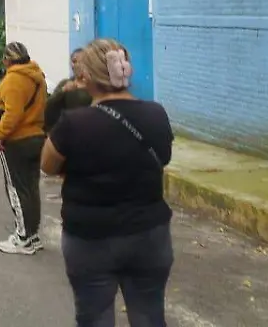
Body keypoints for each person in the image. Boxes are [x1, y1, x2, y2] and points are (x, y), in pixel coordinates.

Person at [41, 38, 175, 327]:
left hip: (90, 239)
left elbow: (48, 165)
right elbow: (162, 157)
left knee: (94, 317)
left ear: (86, 77)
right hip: (150, 235)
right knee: (150, 316)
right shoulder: (156, 114)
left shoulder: (74, 123)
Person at [0, 41, 47, 255]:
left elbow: (12, 115)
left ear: (7, 60)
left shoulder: (14, 80)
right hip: (36, 137)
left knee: (16, 189)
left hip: (17, 141)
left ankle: (23, 238)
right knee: (31, 189)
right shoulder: (37, 76)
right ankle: (32, 235)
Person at [44, 48, 94, 134]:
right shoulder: (65, 83)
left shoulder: (95, 85)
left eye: (79, 61)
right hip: (69, 131)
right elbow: (48, 106)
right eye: (73, 62)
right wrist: (63, 90)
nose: (75, 65)